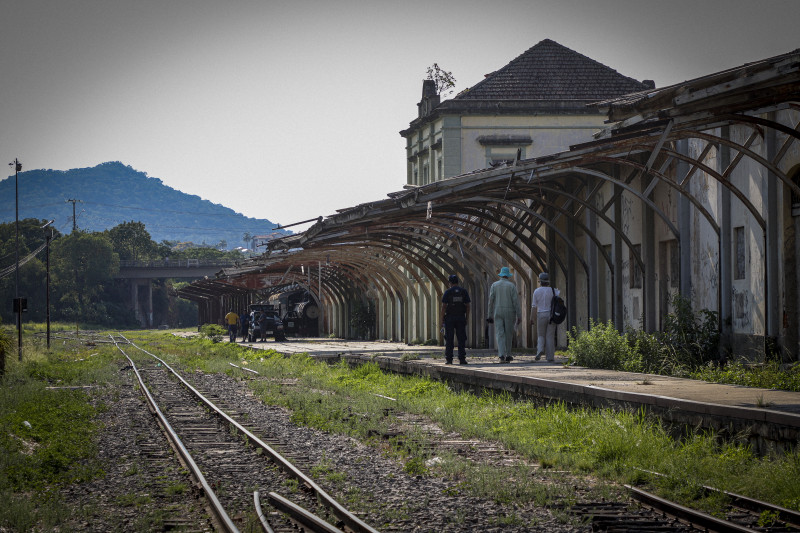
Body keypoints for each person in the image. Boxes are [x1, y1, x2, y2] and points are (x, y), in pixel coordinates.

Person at [488, 266, 521, 363]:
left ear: (501, 275)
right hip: (510, 312)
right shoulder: (511, 286)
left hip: (498, 311)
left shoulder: (494, 285)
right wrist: (519, 315)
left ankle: (501, 355)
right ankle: (509, 354)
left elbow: (491, 301)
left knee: (500, 334)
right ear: (508, 276)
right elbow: (516, 302)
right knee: (508, 334)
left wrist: (489, 314)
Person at [440, 274, 470, 365]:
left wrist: (442, 319)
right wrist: (467, 318)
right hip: (461, 317)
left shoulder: (448, 292)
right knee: (461, 338)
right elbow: (468, 306)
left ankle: (449, 359)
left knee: (449, 338)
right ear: (457, 282)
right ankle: (462, 359)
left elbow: (444, 307)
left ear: (450, 283)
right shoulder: (463, 291)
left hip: (450, 318)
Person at [530, 272, 560, 361]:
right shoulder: (554, 291)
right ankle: (550, 357)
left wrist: (532, 318)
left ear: (540, 282)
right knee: (550, 336)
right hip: (551, 315)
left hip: (541, 314)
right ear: (548, 281)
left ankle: (540, 350)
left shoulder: (536, 291)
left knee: (541, 335)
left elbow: (534, 306)